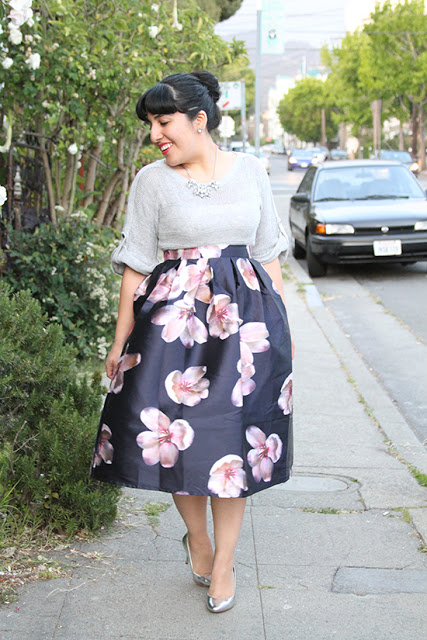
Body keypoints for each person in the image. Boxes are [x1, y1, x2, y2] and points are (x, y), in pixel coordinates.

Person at [91, 71, 293, 614]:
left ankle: (224, 562)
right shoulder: (151, 181)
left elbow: (269, 252)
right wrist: (119, 342)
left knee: (235, 445)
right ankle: (198, 540)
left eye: (164, 121)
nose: (156, 133)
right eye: (151, 124)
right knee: (178, 441)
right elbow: (135, 267)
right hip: (172, 332)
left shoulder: (252, 171)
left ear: (199, 121)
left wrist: (280, 334)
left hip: (245, 329)